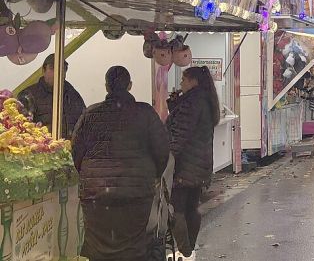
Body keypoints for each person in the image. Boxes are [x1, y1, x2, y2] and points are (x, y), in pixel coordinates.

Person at [72, 66, 169, 261]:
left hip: (96, 193)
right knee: (133, 246)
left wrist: (92, 176)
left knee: (99, 248)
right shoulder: (145, 113)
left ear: (106, 86)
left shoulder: (90, 114)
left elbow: (76, 153)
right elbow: (162, 150)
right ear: (129, 85)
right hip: (136, 192)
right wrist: (153, 175)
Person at [167, 66, 221, 257]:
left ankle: (185, 250)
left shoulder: (192, 103)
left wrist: (167, 159)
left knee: (177, 208)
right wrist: (175, 104)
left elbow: (180, 134)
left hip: (185, 165)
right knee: (191, 207)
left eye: (183, 80)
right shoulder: (205, 100)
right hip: (200, 165)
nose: (181, 83)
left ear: (193, 81)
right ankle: (190, 247)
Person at [19, 53, 86, 136]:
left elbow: (84, 123)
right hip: (41, 143)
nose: (58, 72)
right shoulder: (29, 95)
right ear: (44, 70)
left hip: (71, 144)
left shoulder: (73, 95)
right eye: (52, 68)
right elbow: (22, 128)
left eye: (63, 68)